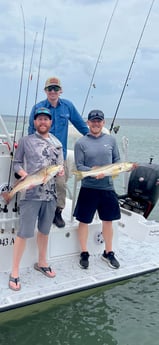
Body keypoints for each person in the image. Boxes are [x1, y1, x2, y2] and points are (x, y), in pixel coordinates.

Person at [9, 107, 64, 291]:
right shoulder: (26, 140)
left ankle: (42, 262)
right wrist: (24, 176)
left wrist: (61, 170)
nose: (42, 122)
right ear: (34, 122)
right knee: (24, 233)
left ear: (51, 122)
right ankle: (15, 271)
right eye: (39, 119)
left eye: (46, 119)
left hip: (50, 196)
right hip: (30, 194)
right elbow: (16, 163)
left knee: (44, 231)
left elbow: (59, 167)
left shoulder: (57, 143)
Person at [28, 77, 89, 228]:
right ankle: (37, 211)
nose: (53, 91)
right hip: (40, 155)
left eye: (56, 88)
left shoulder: (68, 106)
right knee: (38, 183)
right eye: (50, 89)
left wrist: (94, 139)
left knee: (60, 185)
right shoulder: (38, 107)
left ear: (60, 91)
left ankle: (58, 212)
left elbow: (81, 125)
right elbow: (30, 131)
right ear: (45, 91)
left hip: (58, 156)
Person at [73, 109, 121, 270]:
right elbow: (79, 166)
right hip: (88, 188)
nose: (96, 123)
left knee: (108, 221)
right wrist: (93, 172)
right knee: (84, 221)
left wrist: (111, 171)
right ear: (88, 123)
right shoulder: (81, 143)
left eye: (99, 121)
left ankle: (108, 252)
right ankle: (84, 252)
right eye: (93, 121)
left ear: (103, 123)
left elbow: (117, 161)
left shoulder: (111, 140)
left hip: (107, 187)